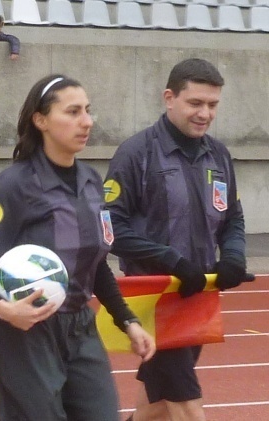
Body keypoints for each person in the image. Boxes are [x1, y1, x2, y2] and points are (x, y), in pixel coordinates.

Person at [0, 74, 155, 420]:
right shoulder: (15, 184)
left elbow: (96, 264)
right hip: (27, 331)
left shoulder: (92, 181)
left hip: (80, 325)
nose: (86, 121)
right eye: (73, 112)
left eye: (88, 111)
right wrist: (2, 309)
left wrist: (128, 321)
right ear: (41, 120)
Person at [103, 58, 248, 421]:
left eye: (212, 105)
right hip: (154, 300)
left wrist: (232, 257)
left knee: (155, 405)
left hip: (198, 296)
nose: (205, 113)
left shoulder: (219, 155)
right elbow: (109, 230)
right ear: (170, 98)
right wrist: (172, 260)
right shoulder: (135, 154)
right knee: (184, 399)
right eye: (195, 103)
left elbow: (232, 217)